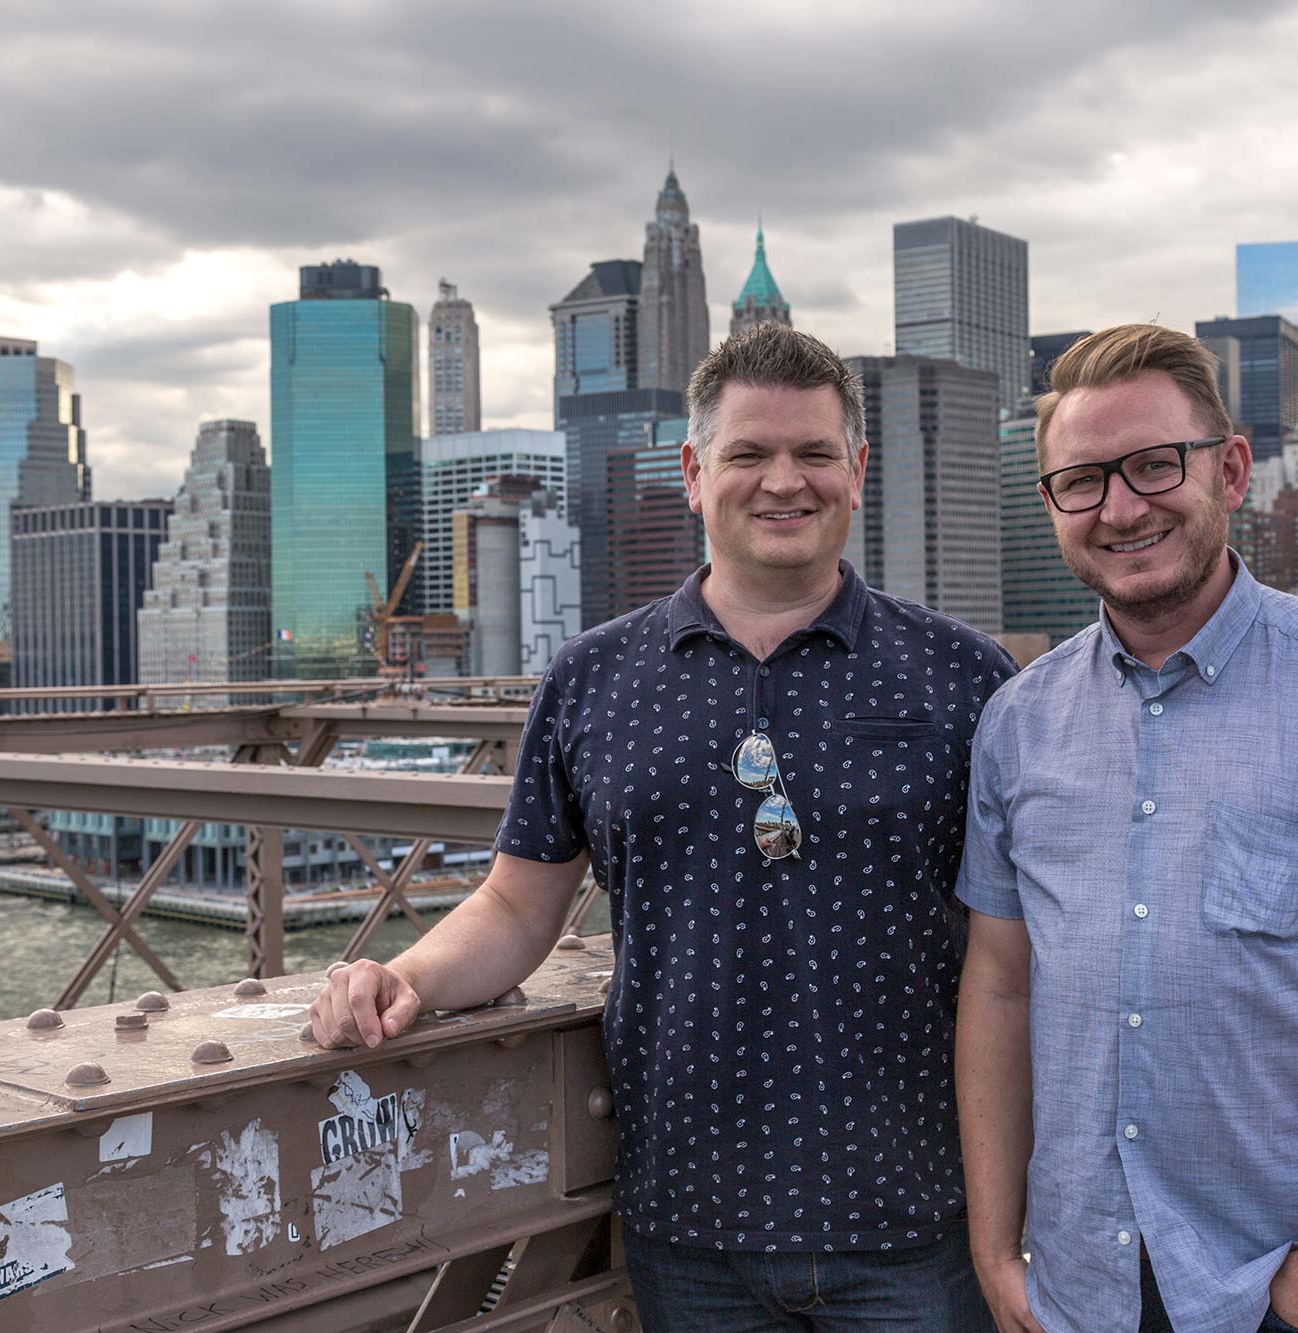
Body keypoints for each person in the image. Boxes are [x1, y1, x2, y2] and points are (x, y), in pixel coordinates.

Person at [311, 323, 1013, 1332]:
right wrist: (404, 979)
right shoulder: (594, 679)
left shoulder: (963, 676)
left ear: (856, 473)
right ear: (691, 472)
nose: (784, 482)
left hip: (914, 1221)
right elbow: (517, 902)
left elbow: (1019, 952)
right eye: (748, 454)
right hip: (689, 1227)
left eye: (814, 454)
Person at [954, 324, 1298, 1333]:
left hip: (1292, 1290)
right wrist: (997, 1253)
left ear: (1231, 470)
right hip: (1083, 1291)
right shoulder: (1017, 721)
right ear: (1049, 506)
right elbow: (997, 983)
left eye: (1153, 465)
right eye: (1081, 480)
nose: (1120, 507)